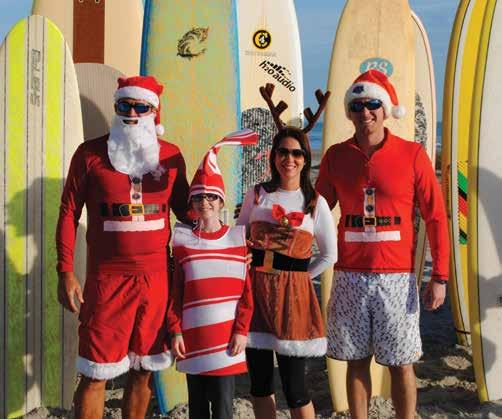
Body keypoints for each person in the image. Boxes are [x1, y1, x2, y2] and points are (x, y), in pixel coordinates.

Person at [316, 69, 449, 419]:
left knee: (401, 364)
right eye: (357, 106)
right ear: (349, 112)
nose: (365, 112)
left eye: (373, 104)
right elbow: (314, 212)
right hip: (349, 275)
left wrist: (440, 276)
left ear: (385, 108)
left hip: (397, 278)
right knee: (356, 360)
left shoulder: (412, 154)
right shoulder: (335, 156)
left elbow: (436, 216)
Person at [56, 75, 190, 418]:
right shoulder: (89, 154)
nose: (131, 113)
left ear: (154, 112)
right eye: (124, 105)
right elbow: (69, 212)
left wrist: (231, 235)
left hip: (156, 280)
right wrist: (65, 270)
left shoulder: (171, 156)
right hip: (106, 280)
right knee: (95, 373)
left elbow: (189, 213)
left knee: (145, 369)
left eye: (140, 107)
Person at [237, 84, 337, 419]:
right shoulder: (257, 195)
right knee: (260, 384)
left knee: (296, 389)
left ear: (305, 159)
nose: (289, 159)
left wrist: (298, 276)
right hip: (255, 295)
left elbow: (329, 255)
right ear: (273, 156)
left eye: (296, 154)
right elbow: (239, 237)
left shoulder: (315, 202)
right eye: (283, 152)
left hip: (294, 300)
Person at [167, 129, 257, 419]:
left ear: (221, 202)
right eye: (198, 197)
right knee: (197, 409)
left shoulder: (238, 239)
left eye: (211, 197)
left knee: (223, 408)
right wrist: (175, 330)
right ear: (191, 202)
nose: (204, 202)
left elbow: (247, 295)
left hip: (226, 340)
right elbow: (176, 293)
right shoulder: (182, 240)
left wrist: (242, 331)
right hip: (192, 338)